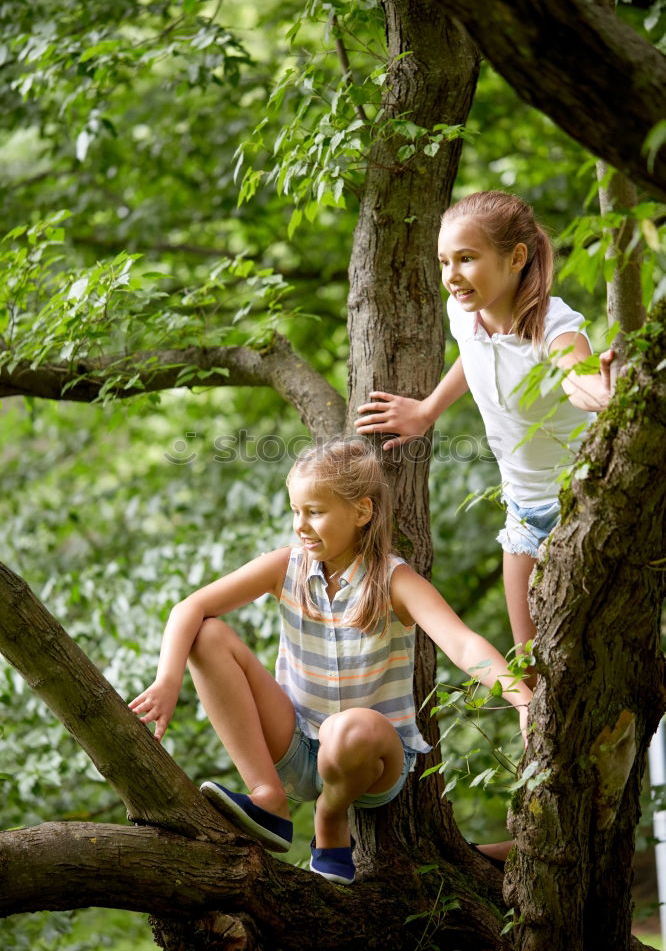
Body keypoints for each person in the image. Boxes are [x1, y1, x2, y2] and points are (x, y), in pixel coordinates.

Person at [129, 437, 532, 884]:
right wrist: (168, 680)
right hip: (297, 744)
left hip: (370, 760)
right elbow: (189, 607)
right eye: (295, 511)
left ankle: (330, 819)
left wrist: (522, 700)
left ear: (361, 512)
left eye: (315, 512)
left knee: (347, 728)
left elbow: (463, 644)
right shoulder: (287, 566)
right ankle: (267, 798)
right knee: (206, 635)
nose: (301, 525)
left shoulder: (393, 580)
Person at [355, 191, 614, 677]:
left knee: (589, 657)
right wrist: (427, 410)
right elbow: (474, 355)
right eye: (445, 261)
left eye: (467, 259)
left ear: (516, 258)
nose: (452, 275)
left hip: (582, 504)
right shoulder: (464, 314)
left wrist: (607, 390)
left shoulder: (553, 329)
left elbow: (578, 379)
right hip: (522, 512)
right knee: (530, 667)